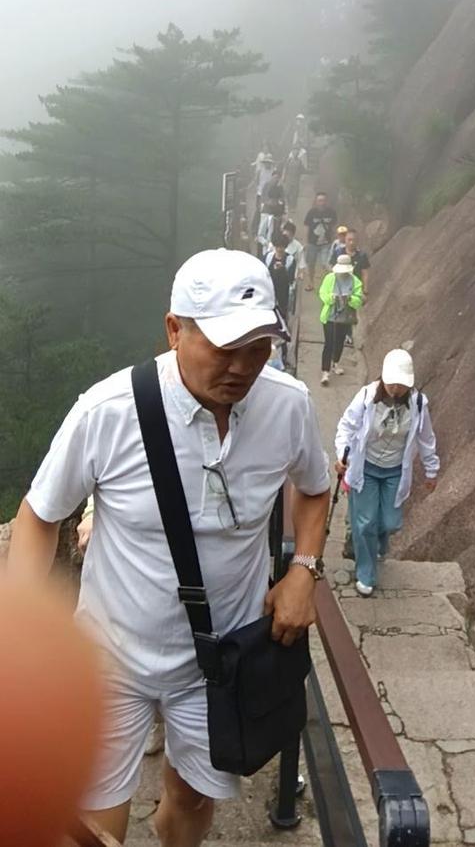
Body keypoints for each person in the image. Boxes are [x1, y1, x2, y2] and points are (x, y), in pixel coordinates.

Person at [8, 249, 330, 846]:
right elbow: (38, 515)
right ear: (174, 330)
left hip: (219, 661)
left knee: (192, 801)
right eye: (225, 346)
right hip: (110, 655)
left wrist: (303, 572)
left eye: (258, 346)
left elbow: (315, 488)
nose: (242, 366)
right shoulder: (108, 412)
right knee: (96, 821)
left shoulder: (286, 405)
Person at [334, 349, 439, 597]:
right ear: (384, 377)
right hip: (366, 468)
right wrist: (342, 455)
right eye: (392, 383)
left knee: (390, 522)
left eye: (402, 385)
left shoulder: (418, 404)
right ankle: (366, 574)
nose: (396, 389)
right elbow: (346, 426)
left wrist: (431, 470)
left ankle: (378, 544)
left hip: (394, 471)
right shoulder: (367, 397)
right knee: (365, 522)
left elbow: (426, 439)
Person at [318, 255, 363, 386]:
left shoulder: (355, 281)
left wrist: (350, 299)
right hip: (330, 316)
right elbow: (322, 293)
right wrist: (332, 298)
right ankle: (325, 371)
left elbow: (358, 300)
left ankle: (335, 362)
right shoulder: (329, 278)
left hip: (345, 318)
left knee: (339, 341)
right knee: (329, 343)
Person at [303, 192, 337, 291]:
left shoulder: (331, 212)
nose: (321, 203)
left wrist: (335, 240)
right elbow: (307, 227)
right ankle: (310, 283)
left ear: (327, 201)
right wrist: (305, 242)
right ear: (316, 201)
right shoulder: (311, 212)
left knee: (326, 263)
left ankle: (328, 284)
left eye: (323, 200)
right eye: (319, 200)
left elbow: (334, 226)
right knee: (311, 264)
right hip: (312, 242)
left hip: (326, 243)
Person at [281, 221, 306, 316]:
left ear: (293, 235)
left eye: (289, 235)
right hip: (278, 276)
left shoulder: (298, 246)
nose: (286, 237)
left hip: (291, 277)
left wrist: (301, 273)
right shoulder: (276, 243)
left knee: (290, 299)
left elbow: (301, 262)